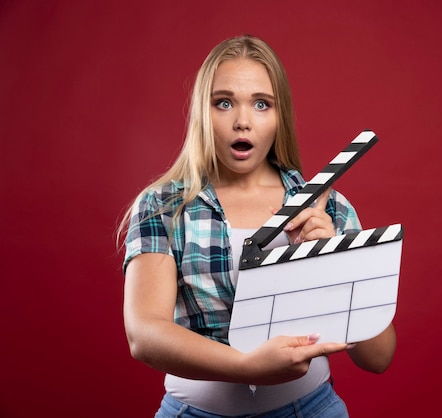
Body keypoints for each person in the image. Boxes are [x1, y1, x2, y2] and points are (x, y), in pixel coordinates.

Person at [118, 34, 396, 418]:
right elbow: (144, 334)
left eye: (261, 104)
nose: (243, 121)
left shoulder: (327, 206)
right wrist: (246, 368)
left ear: (280, 116)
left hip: (310, 409)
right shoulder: (163, 207)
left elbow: (378, 356)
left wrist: (336, 263)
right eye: (224, 103)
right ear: (202, 111)